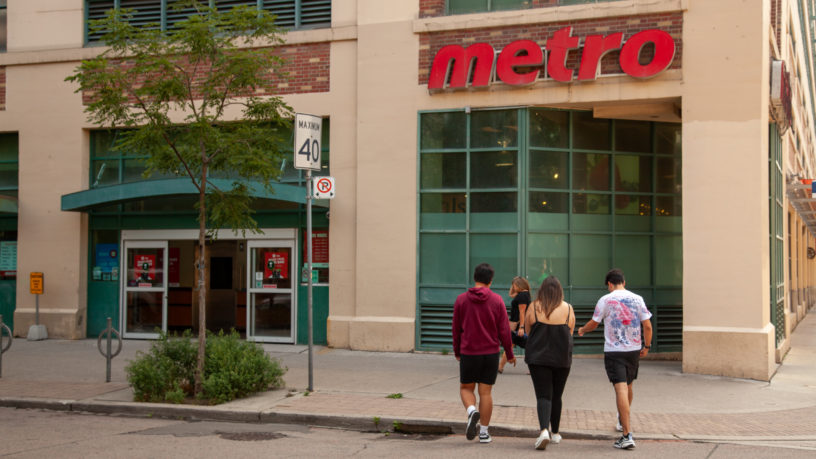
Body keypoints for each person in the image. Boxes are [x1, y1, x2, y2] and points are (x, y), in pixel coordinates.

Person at [578, 268, 652, 450]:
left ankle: (627, 435)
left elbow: (594, 323)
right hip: (634, 350)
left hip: (615, 351)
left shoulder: (605, 300)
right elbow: (648, 325)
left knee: (620, 390)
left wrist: (582, 330)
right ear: (623, 282)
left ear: (609, 284)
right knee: (628, 386)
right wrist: (647, 346)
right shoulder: (638, 299)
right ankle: (622, 419)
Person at [452, 263, 516, 444]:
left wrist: (457, 351)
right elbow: (504, 330)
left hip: (469, 352)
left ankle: (472, 411)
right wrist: (509, 353)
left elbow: (456, 329)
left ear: (475, 278)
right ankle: (484, 433)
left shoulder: (461, 300)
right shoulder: (497, 301)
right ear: (491, 281)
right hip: (490, 353)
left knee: (466, 388)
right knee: (486, 393)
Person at [524, 276, 574, 450]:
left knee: (543, 395)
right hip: (562, 358)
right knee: (557, 395)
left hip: (538, 357)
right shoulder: (568, 308)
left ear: (542, 290)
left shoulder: (534, 307)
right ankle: (556, 433)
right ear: (560, 290)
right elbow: (571, 331)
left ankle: (544, 430)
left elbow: (528, 331)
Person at [499, 276, 531, 374]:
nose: (513, 287)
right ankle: (500, 367)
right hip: (517, 325)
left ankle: (500, 367)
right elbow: (511, 294)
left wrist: (521, 327)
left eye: (514, 285)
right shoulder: (524, 294)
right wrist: (514, 283)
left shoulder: (522, 296)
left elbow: (522, 312)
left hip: (518, 326)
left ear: (519, 285)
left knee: (526, 346)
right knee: (512, 345)